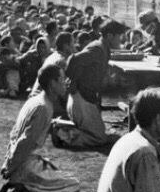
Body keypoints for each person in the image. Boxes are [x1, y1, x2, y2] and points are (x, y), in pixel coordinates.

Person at [0, 64, 80, 192]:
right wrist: (11, 167)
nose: (66, 83)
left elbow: (17, 134)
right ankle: (25, 185)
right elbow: (25, 141)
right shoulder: (43, 107)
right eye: (62, 79)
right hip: (23, 164)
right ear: (52, 84)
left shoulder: (36, 100)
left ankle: (23, 182)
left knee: (57, 172)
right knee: (74, 184)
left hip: (18, 158)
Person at [53, 19, 128, 148]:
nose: (120, 40)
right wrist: (72, 80)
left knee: (102, 134)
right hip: (80, 100)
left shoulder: (102, 47)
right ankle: (62, 134)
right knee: (99, 138)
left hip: (83, 98)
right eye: (119, 36)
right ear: (110, 36)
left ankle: (62, 125)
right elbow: (73, 59)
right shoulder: (98, 49)